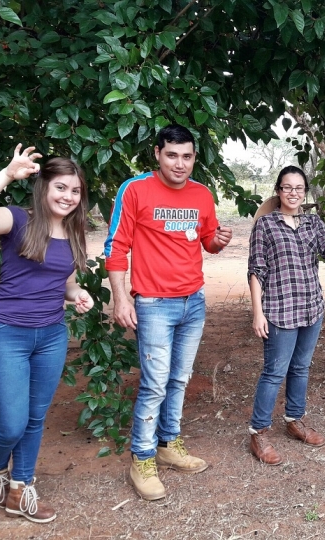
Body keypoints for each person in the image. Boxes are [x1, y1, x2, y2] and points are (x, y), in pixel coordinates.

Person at [0, 144, 94, 523]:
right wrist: (7, 174)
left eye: (75, 190)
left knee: (34, 418)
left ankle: (20, 488)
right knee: (11, 424)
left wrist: (78, 294)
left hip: (50, 337)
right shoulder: (16, 220)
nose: (68, 196)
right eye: (61, 188)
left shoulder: (74, 232)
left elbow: (66, 283)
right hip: (6, 335)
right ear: (44, 187)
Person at [104, 124, 232, 500]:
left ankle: (168, 443)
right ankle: (141, 458)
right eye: (172, 155)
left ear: (194, 158)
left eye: (187, 156)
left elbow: (207, 240)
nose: (180, 163)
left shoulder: (202, 195)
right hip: (154, 304)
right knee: (155, 382)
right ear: (157, 154)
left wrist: (218, 241)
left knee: (179, 378)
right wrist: (121, 298)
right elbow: (117, 246)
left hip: (193, 300)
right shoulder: (135, 189)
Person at [247, 166, 325, 465]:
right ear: (278, 191)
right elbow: (256, 270)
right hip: (279, 310)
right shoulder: (265, 225)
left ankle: (294, 419)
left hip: (310, 307)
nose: (293, 193)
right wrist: (258, 312)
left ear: (304, 192)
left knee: (301, 367)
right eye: (287, 187)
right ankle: (259, 432)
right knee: (274, 371)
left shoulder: (312, 222)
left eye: (299, 188)